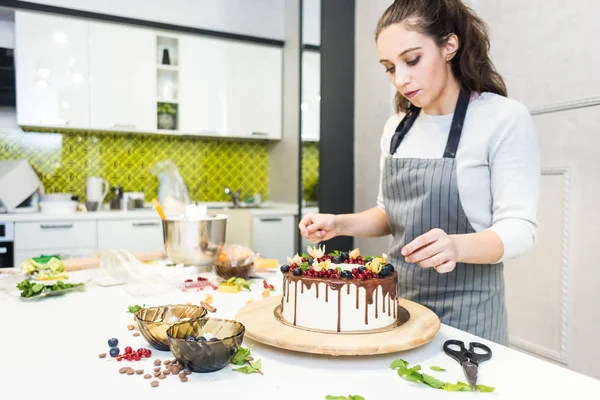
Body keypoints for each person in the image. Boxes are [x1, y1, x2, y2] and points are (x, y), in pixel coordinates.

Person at [298, 0, 540, 345]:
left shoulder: (502, 118)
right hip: (398, 306)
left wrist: (455, 247)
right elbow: (390, 213)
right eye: (389, 67)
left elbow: (521, 229)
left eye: (411, 60)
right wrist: (340, 224)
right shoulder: (398, 128)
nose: (401, 79)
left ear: (449, 46)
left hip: (467, 315)